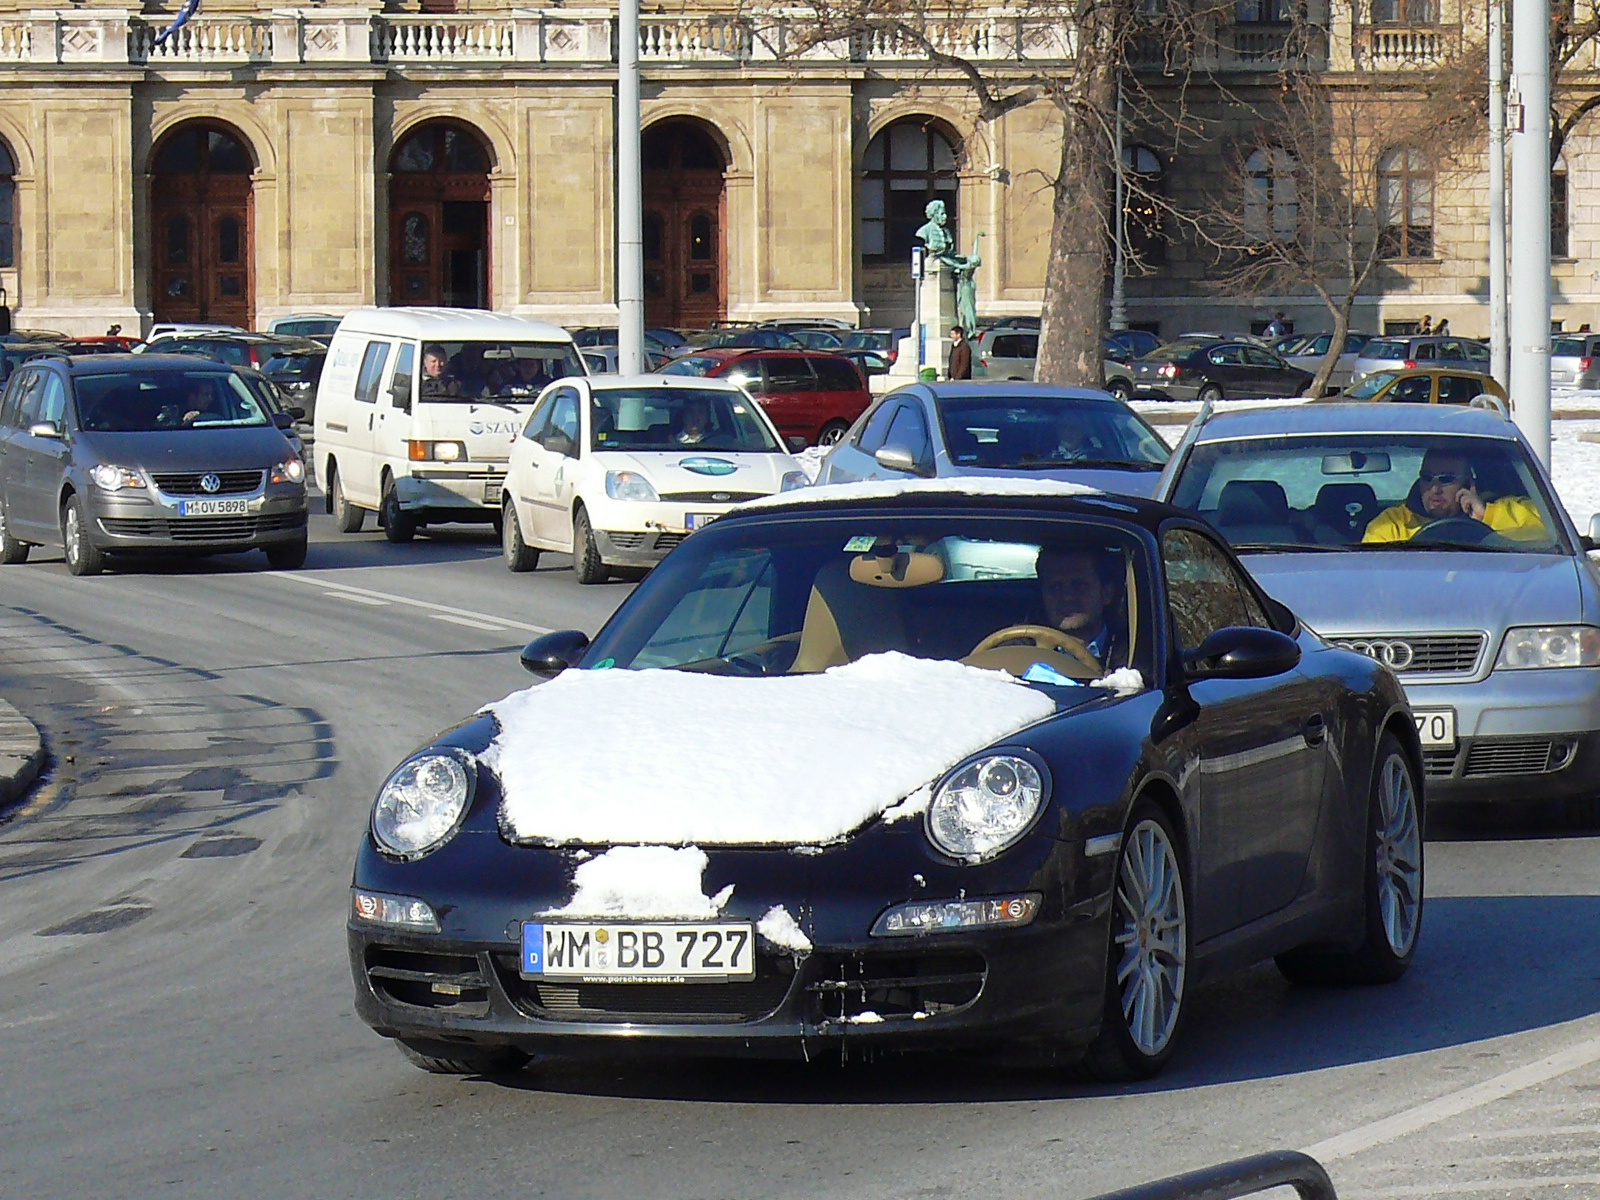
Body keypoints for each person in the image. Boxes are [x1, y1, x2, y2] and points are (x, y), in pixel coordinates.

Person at [1363, 449, 1547, 543]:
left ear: (1468, 483)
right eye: (1427, 478)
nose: (1435, 489)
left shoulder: (1513, 510)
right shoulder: (1391, 524)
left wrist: (1486, 517)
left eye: (1446, 479)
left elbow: (1553, 539)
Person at [1034, 545, 1126, 668]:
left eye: (1080, 585)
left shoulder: (1134, 653)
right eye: (1056, 586)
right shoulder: (1019, 648)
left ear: (1106, 593)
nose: (1067, 597)